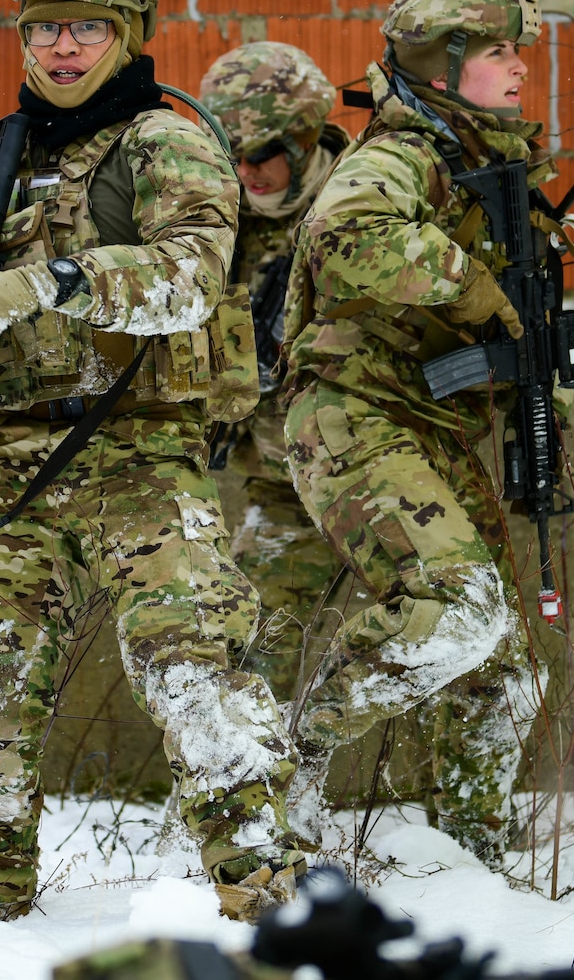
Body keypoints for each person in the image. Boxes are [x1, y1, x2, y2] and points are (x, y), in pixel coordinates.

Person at [0, 0, 305, 925]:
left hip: (139, 452)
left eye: (87, 29)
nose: (63, 49)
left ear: (128, 33)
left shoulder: (165, 140)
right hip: (7, 462)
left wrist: (55, 278)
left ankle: (268, 903)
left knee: (192, 667)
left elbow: (192, 273)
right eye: (46, 28)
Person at [279, 0, 567, 868]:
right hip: (351, 414)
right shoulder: (405, 153)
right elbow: (344, 237)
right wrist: (473, 285)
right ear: (441, 63)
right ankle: (287, 753)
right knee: (459, 603)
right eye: (495, 49)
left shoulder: (483, 161)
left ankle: (472, 857)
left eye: (519, 48)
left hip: (429, 425)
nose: (520, 64)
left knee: (504, 667)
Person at [197, 43, 347, 702]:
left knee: (446, 640)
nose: (246, 173)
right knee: (249, 651)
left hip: (385, 475)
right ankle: (248, 796)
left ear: (304, 138)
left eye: (262, 155)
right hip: (281, 486)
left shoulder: (360, 209)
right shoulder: (219, 223)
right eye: (231, 155)